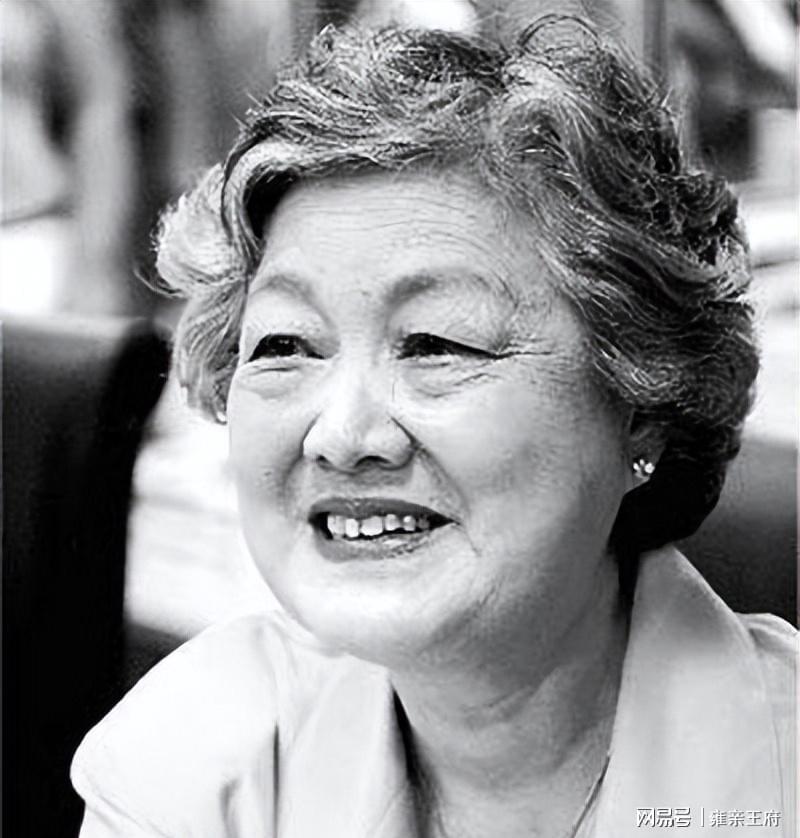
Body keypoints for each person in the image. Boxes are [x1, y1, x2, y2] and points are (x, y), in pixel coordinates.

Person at [71, 19, 795, 838]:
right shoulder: (196, 767)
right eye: (285, 346)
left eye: (435, 343)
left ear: (644, 407)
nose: (342, 435)